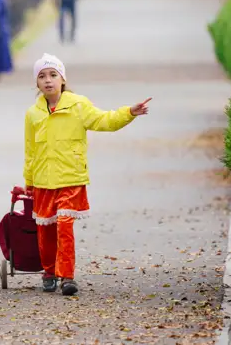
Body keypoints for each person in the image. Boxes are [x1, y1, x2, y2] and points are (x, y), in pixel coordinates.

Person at [23, 53, 151, 296]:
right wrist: (29, 180)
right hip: (43, 181)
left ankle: (67, 276)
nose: (48, 80)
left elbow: (104, 120)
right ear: (37, 84)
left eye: (53, 75)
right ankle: (49, 271)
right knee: (46, 231)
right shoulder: (33, 114)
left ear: (63, 79)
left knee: (64, 225)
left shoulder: (78, 105)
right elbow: (29, 149)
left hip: (71, 179)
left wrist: (129, 112)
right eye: (42, 76)